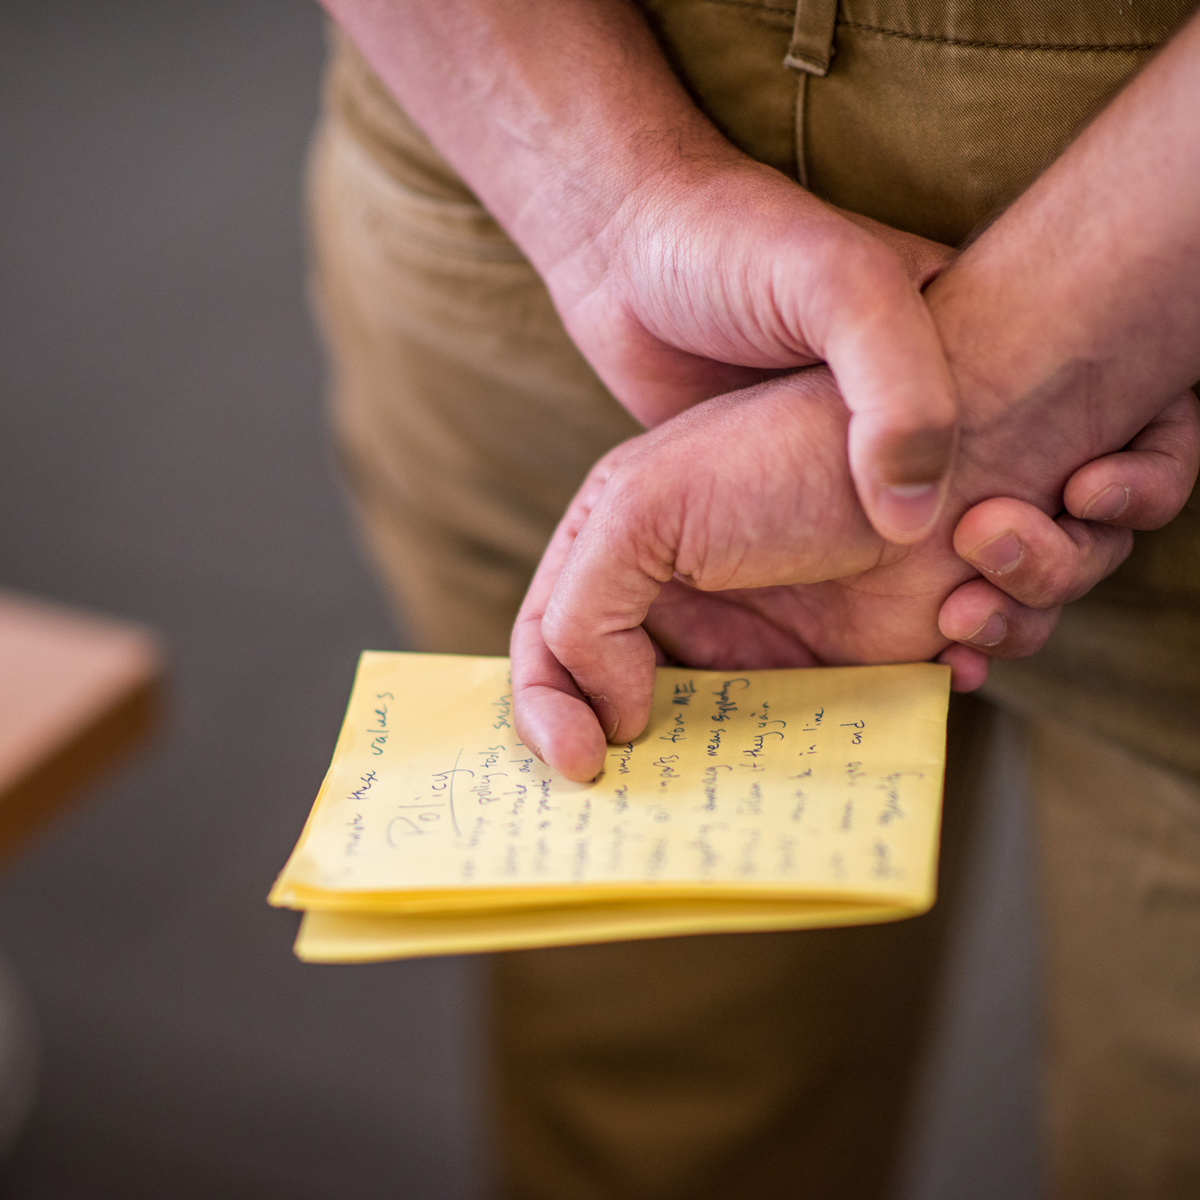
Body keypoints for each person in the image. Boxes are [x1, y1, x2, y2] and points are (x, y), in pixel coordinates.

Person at [307, 1, 1200, 1196]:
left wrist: (602, 203)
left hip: (535, 157)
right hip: (560, 249)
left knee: (659, 1113)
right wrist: (610, 214)